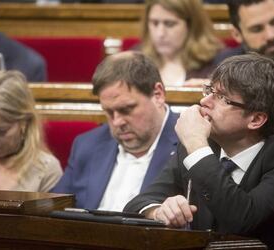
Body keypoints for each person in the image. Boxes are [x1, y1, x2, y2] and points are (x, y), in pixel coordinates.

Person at [124, 53, 274, 249]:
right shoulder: (201, 144)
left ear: (255, 119)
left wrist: (196, 144)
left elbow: (242, 220)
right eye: (209, 90)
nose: (205, 102)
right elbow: (138, 203)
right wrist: (158, 211)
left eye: (222, 98)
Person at [50, 51, 179, 211]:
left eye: (126, 109)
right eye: (109, 112)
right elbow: (53, 210)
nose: (117, 122)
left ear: (157, 95)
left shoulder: (189, 142)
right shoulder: (87, 145)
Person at [140, 0, 223, 87]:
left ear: (191, 26)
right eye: (155, 23)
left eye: (169, 24)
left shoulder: (218, 63)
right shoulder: (138, 58)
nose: (160, 33)